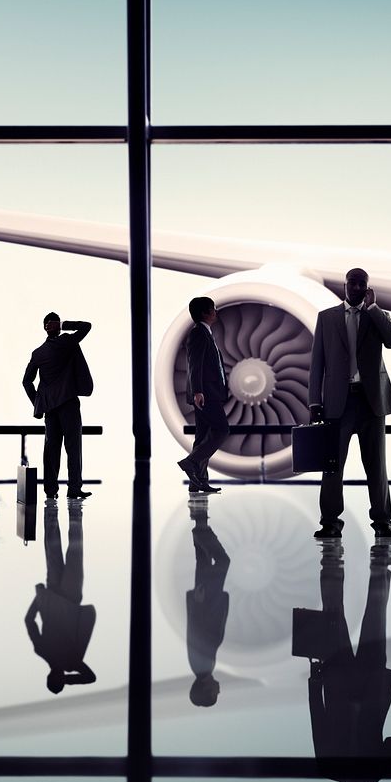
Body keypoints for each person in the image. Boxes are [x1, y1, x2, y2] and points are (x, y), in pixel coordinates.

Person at [297, 542, 391, 782]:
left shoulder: (332, 769)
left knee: (364, 611)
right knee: (361, 611)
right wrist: (314, 683)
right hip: (352, 679)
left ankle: (361, 555)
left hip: (349, 679)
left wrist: (315, 682)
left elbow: (317, 721)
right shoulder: (332, 769)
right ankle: (339, 556)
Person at [308, 268, 391, 539]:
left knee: (376, 465)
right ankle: (330, 521)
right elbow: (317, 364)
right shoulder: (326, 318)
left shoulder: (377, 316)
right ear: (345, 285)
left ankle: (382, 521)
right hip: (339, 402)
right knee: (332, 465)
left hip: (372, 401)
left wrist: (373, 308)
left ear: (367, 288)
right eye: (353, 282)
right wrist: (315, 401)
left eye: (362, 284)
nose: (357, 287)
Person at [24, 501, 97, 694]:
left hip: (56, 593)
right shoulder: (69, 661)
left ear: (50, 676)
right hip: (69, 596)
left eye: (56, 679)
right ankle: (70, 510)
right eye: (60, 680)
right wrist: (69, 679)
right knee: (71, 551)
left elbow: (29, 621)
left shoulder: (46, 652)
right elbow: (90, 678)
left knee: (57, 550)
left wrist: (41, 597)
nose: (58, 676)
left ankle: (55, 510)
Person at [22, 313, 93, 501]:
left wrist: (39, 401)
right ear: (47, 326)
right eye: (50, 323)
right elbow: (86, 326)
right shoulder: (67, 342)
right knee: (72, 448)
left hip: (51, 408)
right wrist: (63, 324)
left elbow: (26, 382)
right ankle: (74, 489)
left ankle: (51, 490)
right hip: (67, 404)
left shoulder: (40, 352)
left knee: (52, 450)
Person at [177, 297, 229, 495]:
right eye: (213, 309)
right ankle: (190, 462)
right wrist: (198, 391)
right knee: (221, 429)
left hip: (208, 392)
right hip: (206, 394)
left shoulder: (206, 333)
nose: (216, 312)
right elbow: (195, 364)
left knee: (201, 437)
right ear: (205, 313)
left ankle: (198, 481)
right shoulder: (198, 333)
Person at [186, 502, 230, 707]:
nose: (219, 691)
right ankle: (200, 518)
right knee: (203, 561)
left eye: (214, 694)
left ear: (206, 690)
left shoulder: (201, 666)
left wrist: (198, 602)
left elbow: (197, 631)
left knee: (222, 562)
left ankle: (200, 530)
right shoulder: (203, 668)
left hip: (206, 602)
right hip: (206, 601)